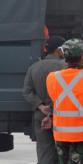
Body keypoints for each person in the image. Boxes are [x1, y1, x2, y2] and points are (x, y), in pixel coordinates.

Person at [23, 36, 66, 164]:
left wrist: (41, 106)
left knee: (44, 152)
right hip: (62, 115)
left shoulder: (34, 67)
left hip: (41, 115)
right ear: (59, 50)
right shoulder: (65, 67)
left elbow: (27, 91)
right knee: (63, 152)